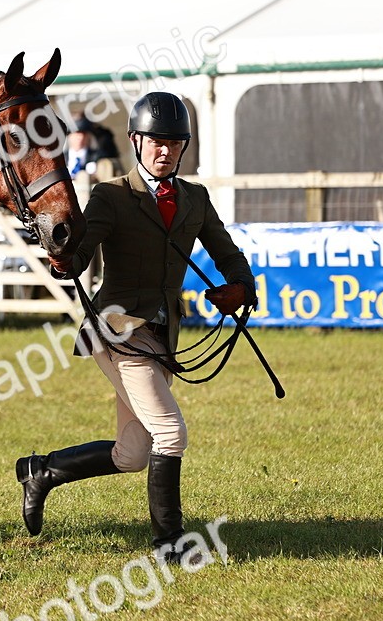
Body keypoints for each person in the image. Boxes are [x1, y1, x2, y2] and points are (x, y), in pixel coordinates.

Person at [15, 91, 255, 563]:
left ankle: (42, 471)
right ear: (134, 140)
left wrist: (242, 287)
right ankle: (170, 544)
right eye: (154, 141)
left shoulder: (195, 198)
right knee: (170, 432)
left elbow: (228, 254)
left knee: (133, 453)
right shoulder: (112, 195)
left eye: (173, 142)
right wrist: (65, 260)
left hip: (163, 334)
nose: (164, 151)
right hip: (118, 330)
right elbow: (83, 254)